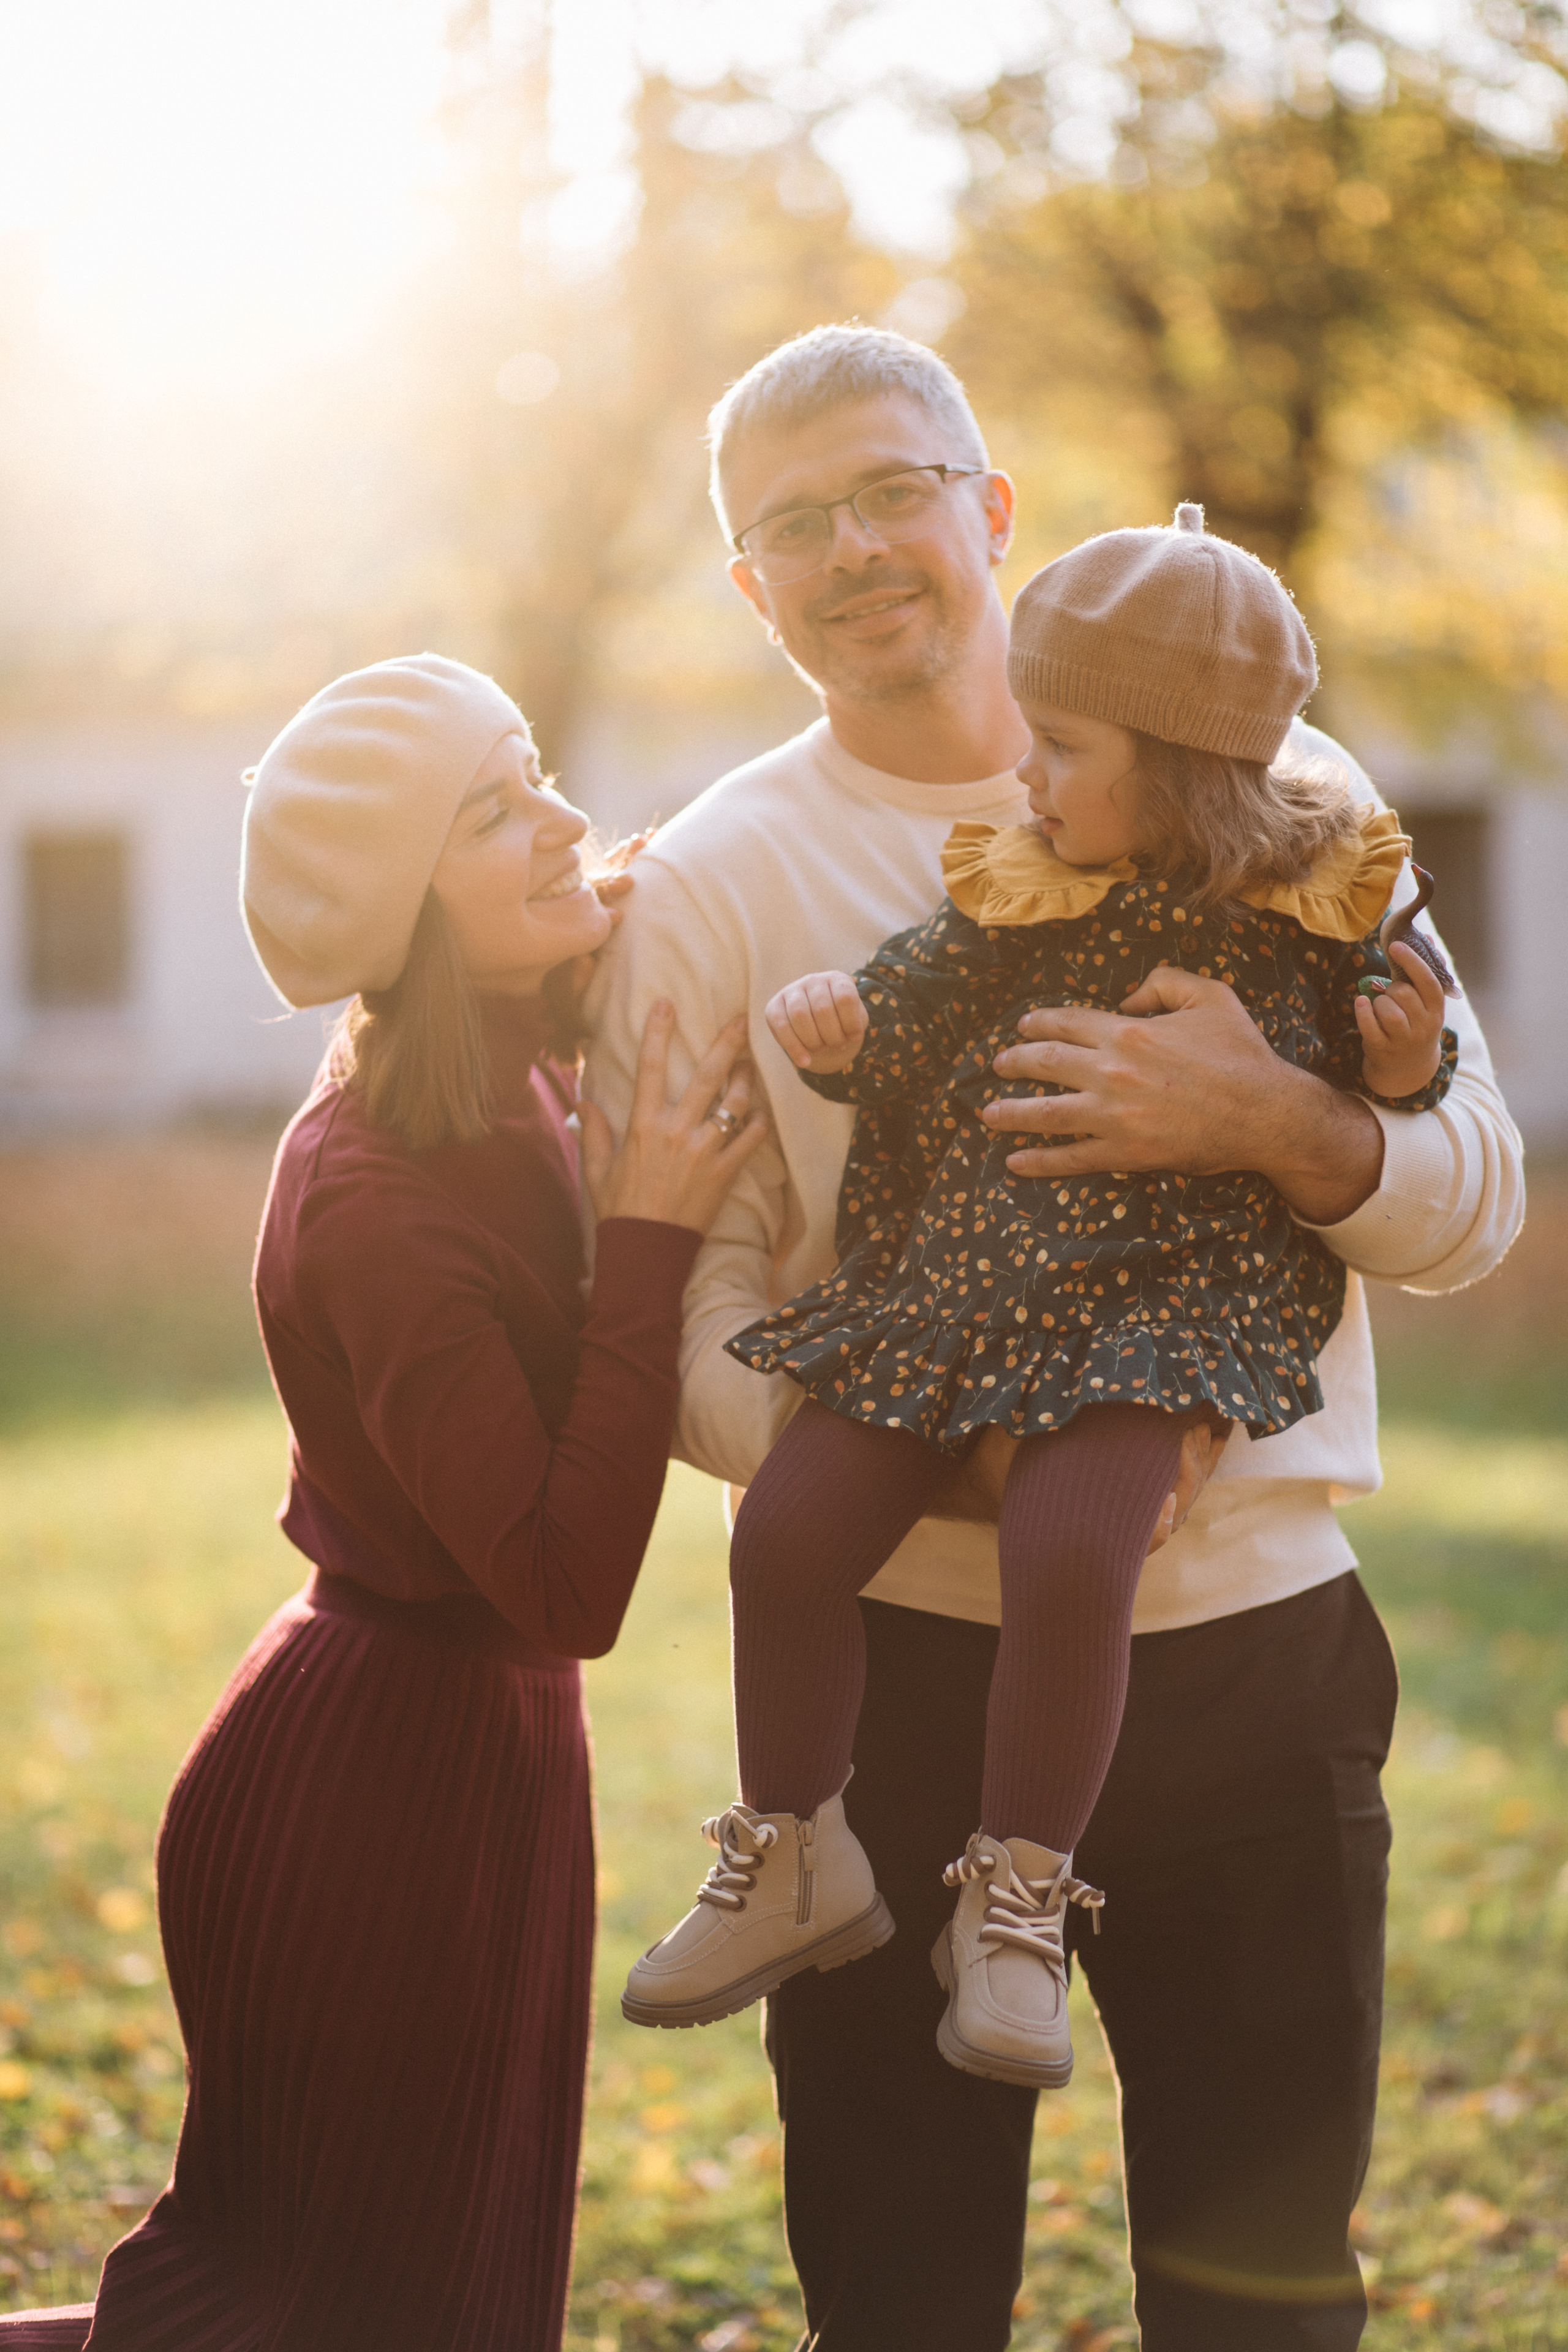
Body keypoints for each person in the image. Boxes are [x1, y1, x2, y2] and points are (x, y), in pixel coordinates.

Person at [583, 328, 1524, 2351]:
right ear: (753, 590)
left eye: (893, 488)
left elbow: (1480, 1194)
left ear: (990, 506)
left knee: (1262, 2300)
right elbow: (682, 1314)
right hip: (902, 1686)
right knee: (901, 2300)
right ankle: (798, 1860)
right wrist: (942, 1437)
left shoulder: (1294, 797)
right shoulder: (720, 884)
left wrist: (1287, 1127)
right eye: (792, 523)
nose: (855, 548)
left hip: (1264, 1663)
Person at [622, 504, 1458, 2095]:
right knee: (786, 1532)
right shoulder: (1019, 878)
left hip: (1155, 1310)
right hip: (958, 1285)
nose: (1026, 770)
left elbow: (1416, 1081)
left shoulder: (1317, 893)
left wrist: (1395, 1070)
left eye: (1061, 744)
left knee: (1073, 1548)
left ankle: (1015, 1900)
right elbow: (918, 988)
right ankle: (796, 1847)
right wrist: (844, 1023)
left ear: (1175, 761)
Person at [0, 654, 763, 2352]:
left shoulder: (519, 1054)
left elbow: (708, 876)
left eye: (539, 769)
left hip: (488, 1768)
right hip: (373, 1796)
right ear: (401, 907)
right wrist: (646, 1236)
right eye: (494, 810)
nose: (564, 818)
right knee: (302, 2318)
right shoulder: (378, 1193)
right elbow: (570, 1587)